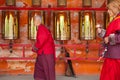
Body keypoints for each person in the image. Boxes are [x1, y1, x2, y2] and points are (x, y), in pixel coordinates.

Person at [96, 0, 120, 80]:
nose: (108, 11)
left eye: (109, 9)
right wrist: (101, 32)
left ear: (115, 9)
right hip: (112, 55)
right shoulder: (115, 20)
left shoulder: (119, 20)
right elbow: (110, 34)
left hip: (116, 57)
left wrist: (109, 38)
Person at [32, 15, 55, 80]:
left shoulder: (41, 28)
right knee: (39, 66)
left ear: (38, 21)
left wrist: (35, 47)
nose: (33, 22)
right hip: (44, 52)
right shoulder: (41, 28)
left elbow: (42, 39)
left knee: (47, 68)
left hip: (46, 52)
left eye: (34, 20)